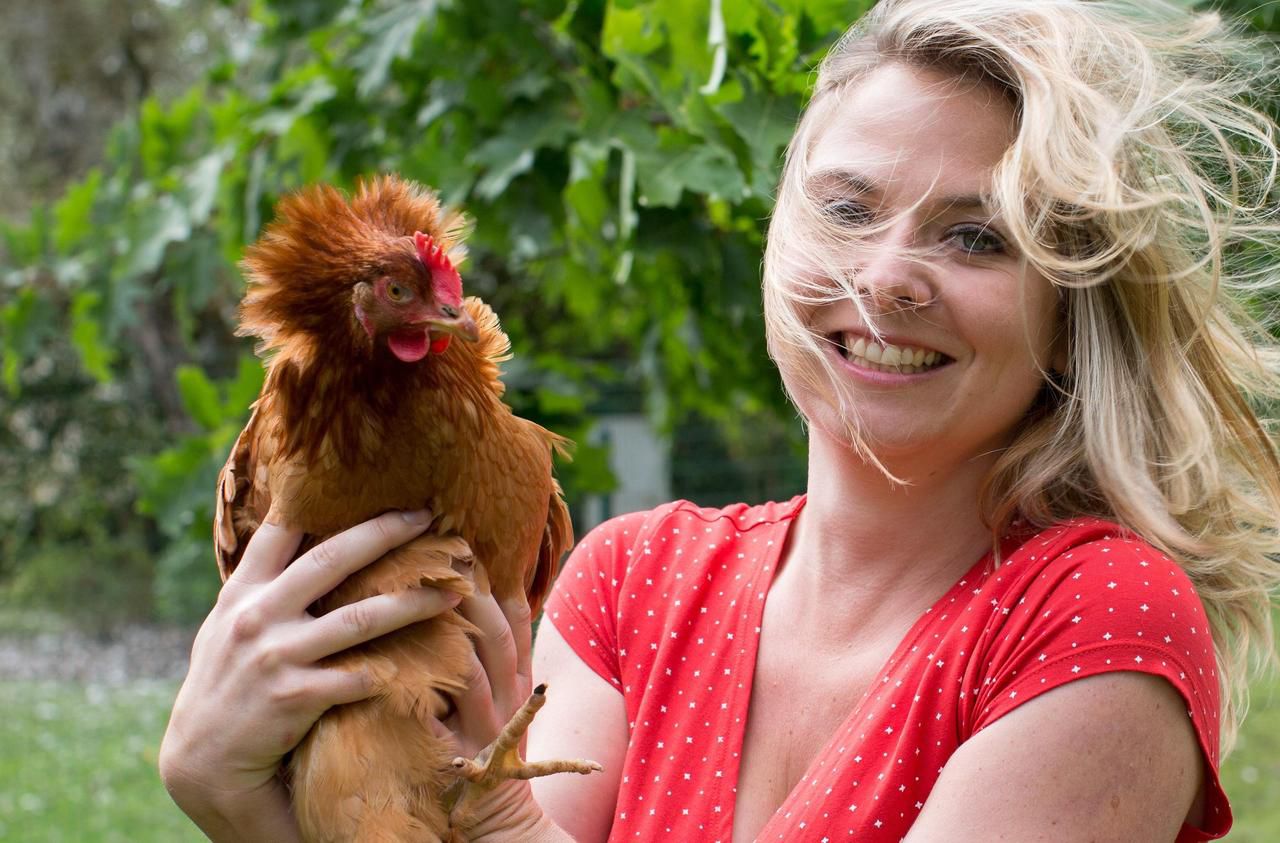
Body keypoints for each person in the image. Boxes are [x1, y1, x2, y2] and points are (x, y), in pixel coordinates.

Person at [159, 0, 1280, 840]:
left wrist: (493, 823)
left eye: (974, 237)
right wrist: (243, 801)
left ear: (1066, 302)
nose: (886, 277)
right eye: (845, 208)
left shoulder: (1088, 620)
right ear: (777, 236)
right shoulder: (631, 584)